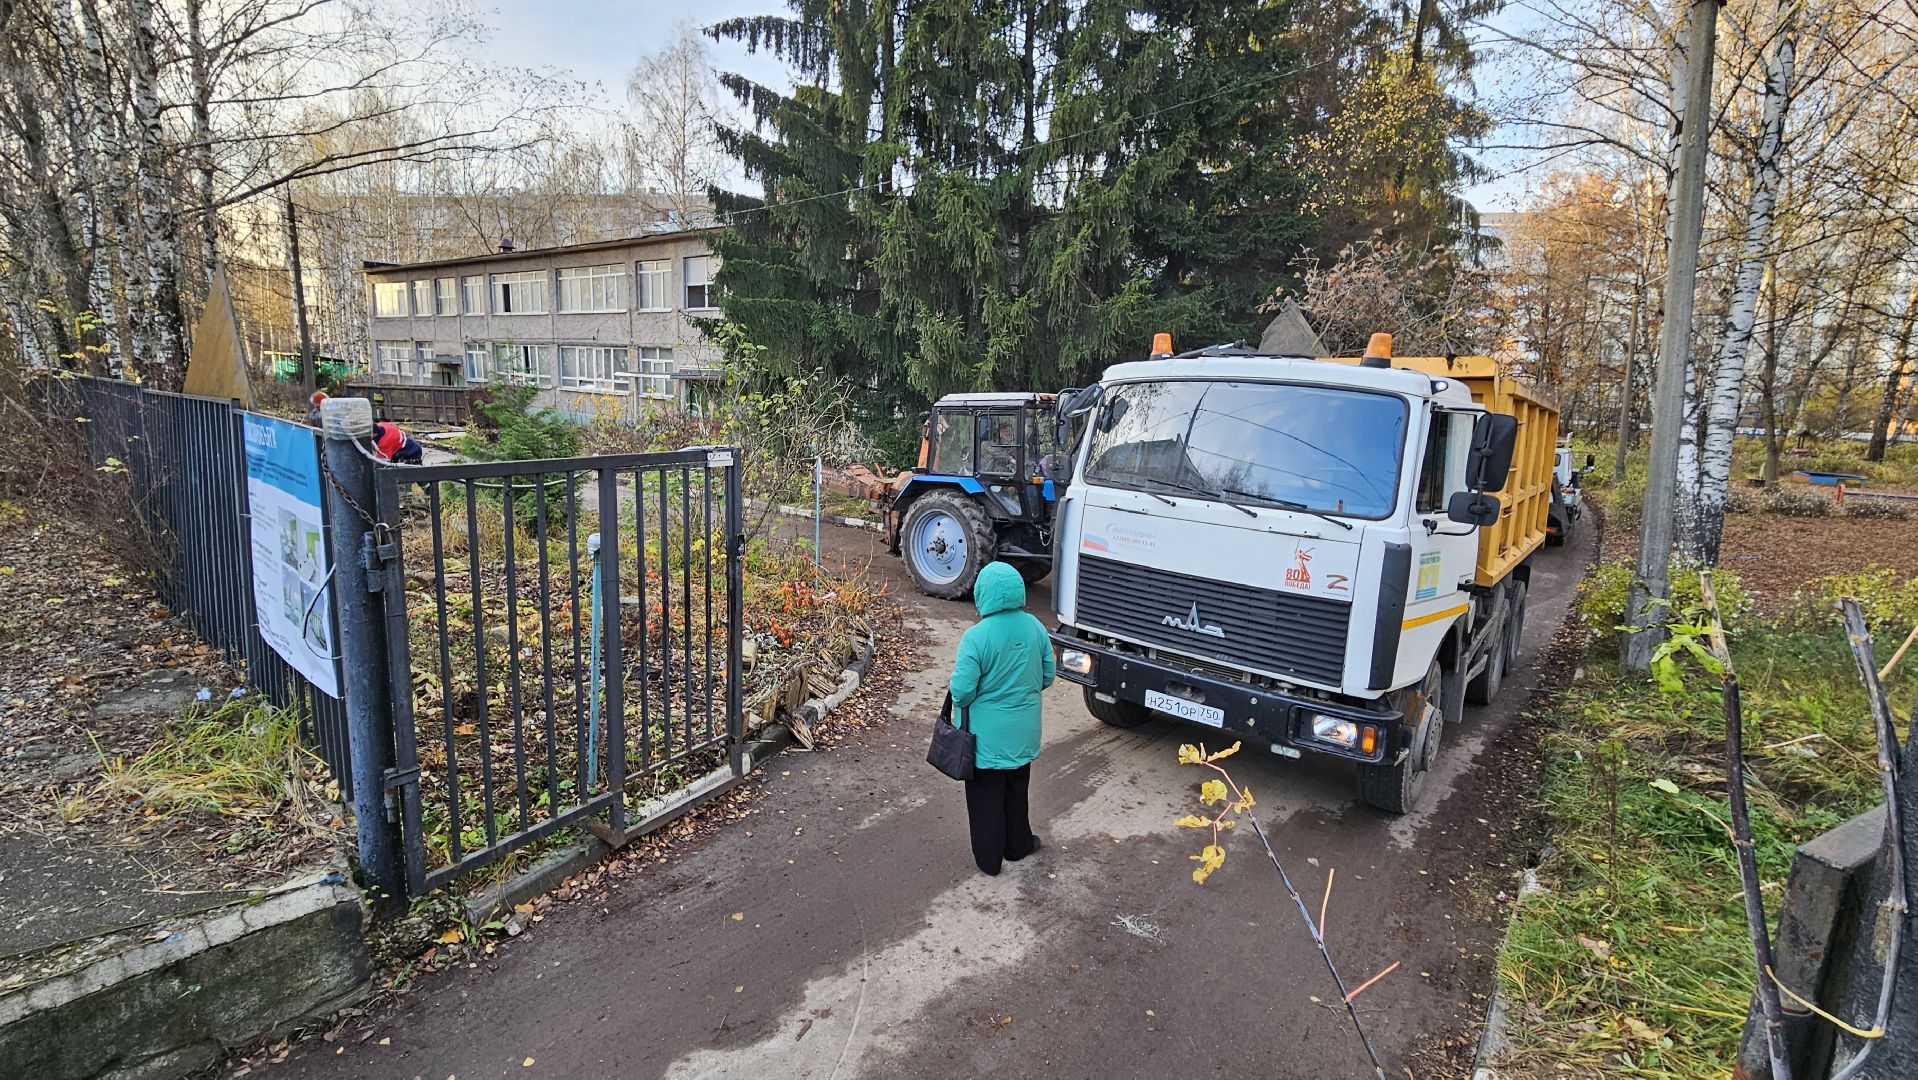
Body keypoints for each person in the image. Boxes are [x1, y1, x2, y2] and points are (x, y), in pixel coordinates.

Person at [949, 560, 1055, 875]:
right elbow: (1048, 675)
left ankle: (989, 860)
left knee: (985, 800)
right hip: (1023, 734)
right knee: (1017, 791)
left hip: (985, 740)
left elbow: (962, 692)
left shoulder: (976, 637)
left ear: (983, 594)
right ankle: (1018, 845)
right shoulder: (1035, 626)